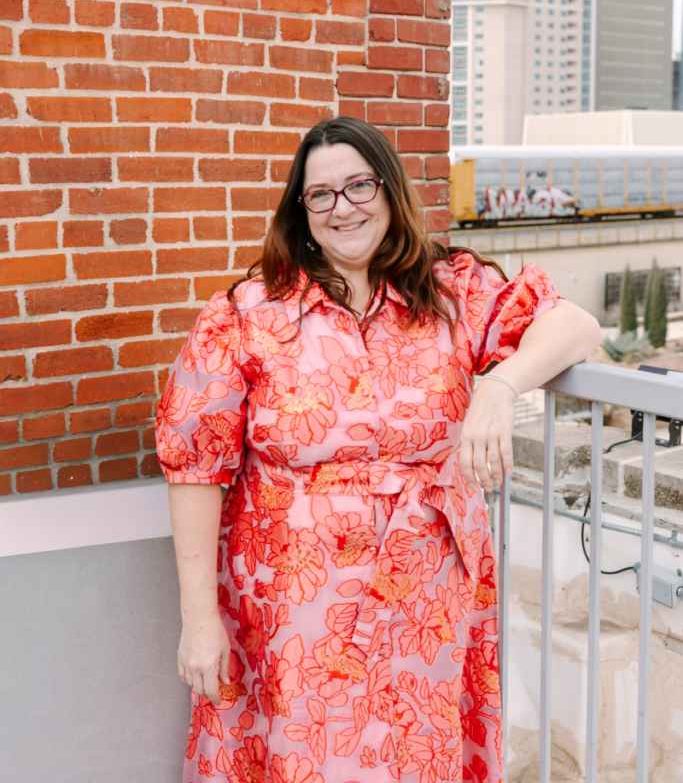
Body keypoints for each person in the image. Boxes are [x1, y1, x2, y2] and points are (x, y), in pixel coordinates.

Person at [156, 117, 602, 783]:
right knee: (309, 755)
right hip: (293, 604)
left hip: (428, 594)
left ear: (389, 191)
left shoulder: (454, 292)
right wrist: (198, 621)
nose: (343, 207)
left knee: (415, 748)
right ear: (300, 212)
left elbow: (577, 324)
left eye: (359, 185)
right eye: (321, 195)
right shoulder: (248, 315)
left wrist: (497, 384)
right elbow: (195, 464)